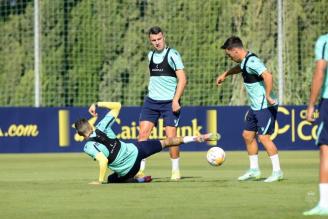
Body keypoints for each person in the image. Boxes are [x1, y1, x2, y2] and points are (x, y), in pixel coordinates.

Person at [74, 101, 214, 184]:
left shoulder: (88, 146)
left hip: (129, 170)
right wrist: (97, 104)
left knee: (112, 179)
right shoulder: (102, 126)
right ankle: (197, 138)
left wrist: (99, 181)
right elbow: (117, 106)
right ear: (90, 125)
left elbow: (103, 161)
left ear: (80, 135)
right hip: (137, 151)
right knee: (167, 142)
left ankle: (139, 179)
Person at [216, 36, 283, 183]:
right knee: (247, 135)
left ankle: (277, 171)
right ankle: (254, 170)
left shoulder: (252, 61)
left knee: (264, 138)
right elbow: (239, 68)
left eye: (229, 54)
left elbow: (268, 76)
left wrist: (267, 95)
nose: (229, 57)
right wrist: (225, 74)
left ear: (235, 51)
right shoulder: (245, 61)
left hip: (264, 106)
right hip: (255, 106)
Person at [137, 26, 187, 180]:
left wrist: (175, 100)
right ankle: (139, 171)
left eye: (159, 39)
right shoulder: (150, 55)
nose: (157, 42)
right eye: (154, 40)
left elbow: (183, 79)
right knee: (143, 134)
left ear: (163, 37)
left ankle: (175, 171)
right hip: (151, 101)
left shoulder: (173, 54)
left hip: (169, 103)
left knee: (171, 137)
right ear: (150, 41)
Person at [303, 33, 328, 216]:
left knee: (326, 149)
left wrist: (311, 105)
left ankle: (325, 204)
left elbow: (320, 71)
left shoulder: (324, 40)